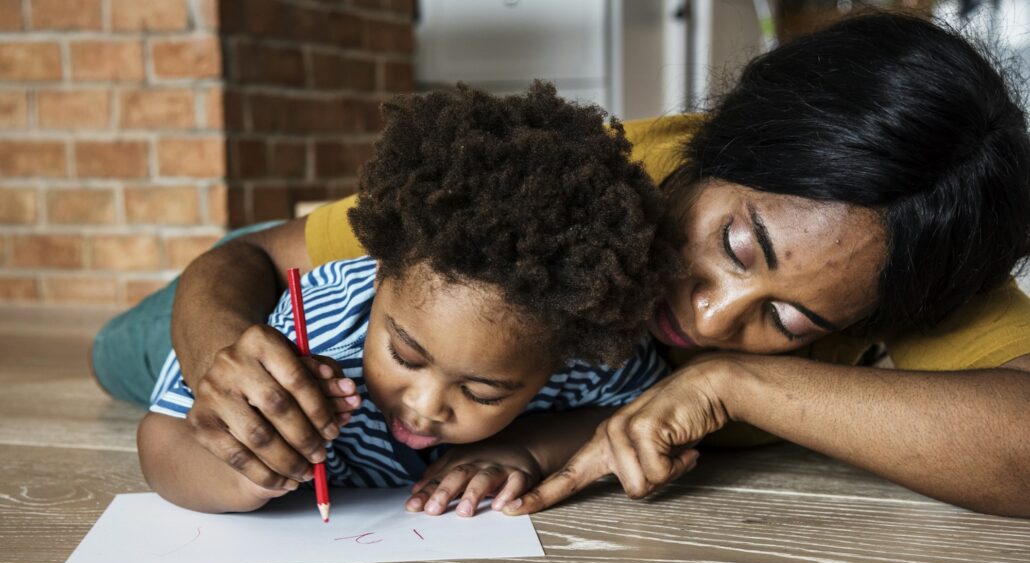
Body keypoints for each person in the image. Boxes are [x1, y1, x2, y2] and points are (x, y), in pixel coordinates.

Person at [97, 12, 1030, 518]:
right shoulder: (573, 184)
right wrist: (222, 348)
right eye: (735, 247)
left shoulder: (917, 251)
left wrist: (735, 385)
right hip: (317, 285)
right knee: (121, 350)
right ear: (715, 144)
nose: (707, 319)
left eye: (788, 322)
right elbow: (251, 259)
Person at [136, 83, 677, 514]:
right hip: (215, 293)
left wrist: (531, 448)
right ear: (377, 278)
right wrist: (241, 471)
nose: (424, 405)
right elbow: (161, 436)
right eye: (405, 356)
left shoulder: (574, 345)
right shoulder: (316, 330)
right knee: (118, 353)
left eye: (483, 392)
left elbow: (642, 407)